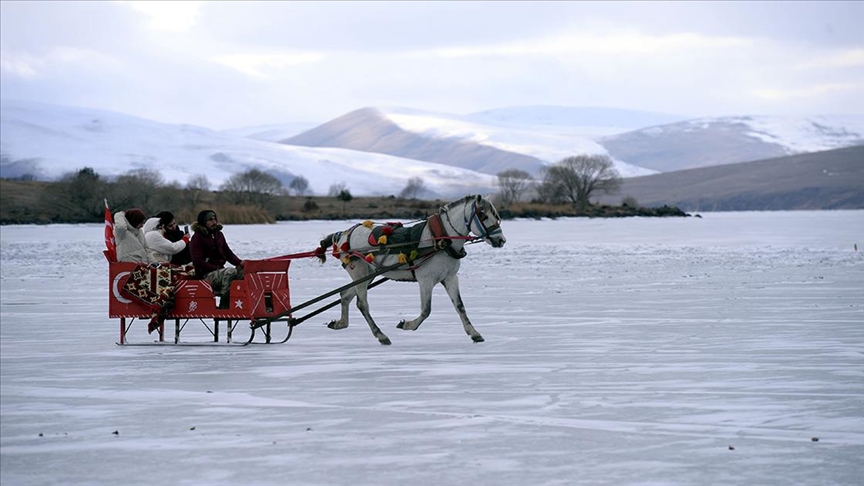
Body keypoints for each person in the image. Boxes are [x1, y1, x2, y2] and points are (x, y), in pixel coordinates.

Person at [190, 210, 245, 307]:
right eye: (210, 220)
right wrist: (215, 268)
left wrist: (240, 263)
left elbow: (228, 253)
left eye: (215, 219)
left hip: (220, 271)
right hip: (206, 275)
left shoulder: (219, 235)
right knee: (230, 272)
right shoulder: (197, 237)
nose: (214, 222)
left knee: (244, 271)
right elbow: (197, 261)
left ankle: (240, 302)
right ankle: (224, 305)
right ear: (203, 222)